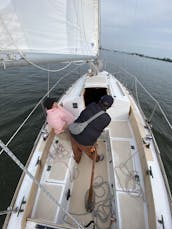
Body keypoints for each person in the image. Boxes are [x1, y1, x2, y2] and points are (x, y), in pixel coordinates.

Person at [69, 95, 114, 163]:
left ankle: (77, 160)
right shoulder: (107, 119)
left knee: (75, 150)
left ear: (100, 100)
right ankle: (97, 159)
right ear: (109, 107)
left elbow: (82, 115)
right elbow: (99, 130)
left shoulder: (91, 105)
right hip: (86, 142)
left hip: (73, 132)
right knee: (91, 152)